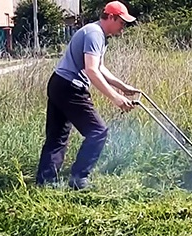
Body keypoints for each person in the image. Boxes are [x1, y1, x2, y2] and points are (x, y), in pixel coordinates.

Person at [36, 0, 138, 190]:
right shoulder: (94, 34)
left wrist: (121, 86)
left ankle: (45, 182)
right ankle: (79, 179)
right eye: (121, 23)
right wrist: (115, 97)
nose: (123, 28)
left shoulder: (97, 33)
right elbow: (91, 70)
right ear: (111, 17)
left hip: (59, 83)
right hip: (70, 88)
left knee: (57, 137)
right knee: (98, 132)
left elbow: (99, 67)